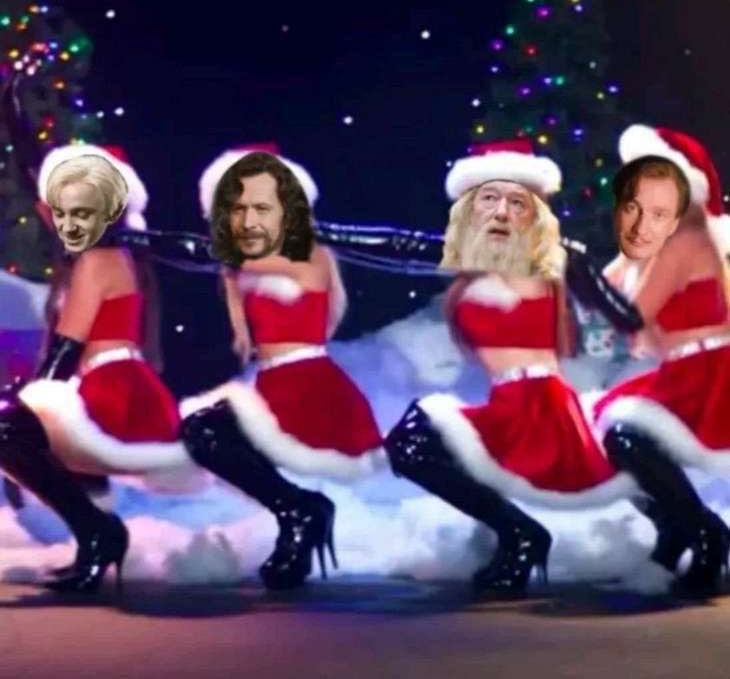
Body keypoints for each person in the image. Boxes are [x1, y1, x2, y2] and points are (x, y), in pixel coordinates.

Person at [384, 139, 634, 598]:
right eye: (489, 198)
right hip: (505, 406)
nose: (501, 211)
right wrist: (308, 232)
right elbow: (398, 248)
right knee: (409, 445)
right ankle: (519, 533)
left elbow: (629, 317)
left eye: (516, 201)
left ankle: (522, 536)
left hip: (540, 410)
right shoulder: (474, 265)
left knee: (414, 439)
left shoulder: (546, 258)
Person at [180, 148, 384, 591]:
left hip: (308, 386)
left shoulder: (307, 252)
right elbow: (231, 262)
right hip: (273, 383)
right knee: (204, 433)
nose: (248, 218)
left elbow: (227, 254)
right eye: (238, 207)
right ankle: (298, 511)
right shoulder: (253, 266)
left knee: (205, 430)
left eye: (260, 205)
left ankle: (299, 511)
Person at [3, 147, 194, 593]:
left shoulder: (96, 260)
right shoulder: (109, 256)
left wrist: (26, 408)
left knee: (7, 428)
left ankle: (98, 532)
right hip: (110, 385)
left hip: (115, 392)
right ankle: (95, 532)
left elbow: (65, 351)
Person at [564, 124, 730, 596]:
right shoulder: (653, 242)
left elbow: (632, 315)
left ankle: (704, 533)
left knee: (626, 439)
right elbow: (606, 295)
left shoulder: (686, 237)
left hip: (712, 374)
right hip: (682, 371)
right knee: (597, 434)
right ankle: (678, 527)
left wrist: (582, 277)